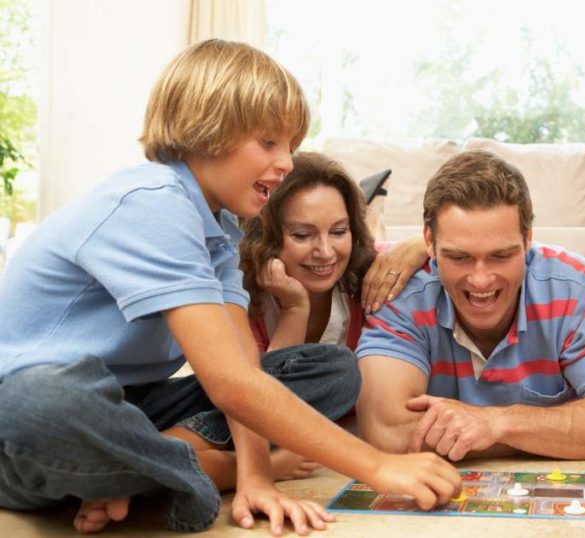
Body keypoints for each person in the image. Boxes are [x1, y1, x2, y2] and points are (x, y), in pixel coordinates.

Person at [0, 39, 459, 535]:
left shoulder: (220, 230)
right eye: (268, 143)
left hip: (126, 409)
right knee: (45, 400)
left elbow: (246, 369)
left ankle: (133, 472)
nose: (285, 163)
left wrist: (257, 477)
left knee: (330, 370)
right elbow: (230, 386)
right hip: (25, 422)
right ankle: (194, 471)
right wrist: (376, 466)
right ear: (208, 132)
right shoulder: (151, 202)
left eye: (291, 146)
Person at [356, 150, 585, 461]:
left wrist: (497, 423)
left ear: (528, 239)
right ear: (429, 242)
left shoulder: (575, 289)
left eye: (501, 256)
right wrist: (553, 432)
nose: (481, 280)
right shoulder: (398, 291)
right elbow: (387, 432)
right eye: (459, 257)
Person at [240, 152, 427, 355]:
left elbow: (446, 245)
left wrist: (422, 243)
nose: (325, 252)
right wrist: (295, 309)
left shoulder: (369, 263)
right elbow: (265, 384)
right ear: (265, 237)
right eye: (302, 235)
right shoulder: (238, 297)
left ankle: (372, 213)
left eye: (338, 231)